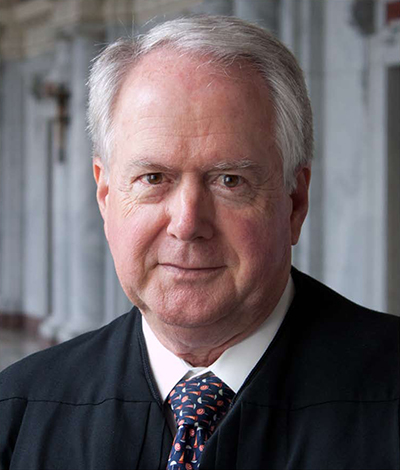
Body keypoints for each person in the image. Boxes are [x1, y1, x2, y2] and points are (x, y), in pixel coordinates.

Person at [0, 15, 398, 470]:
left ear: (295, 201)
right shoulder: (19, 413)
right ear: (106, 197)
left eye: (230, 179)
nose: (188, 224)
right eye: (153, 178)